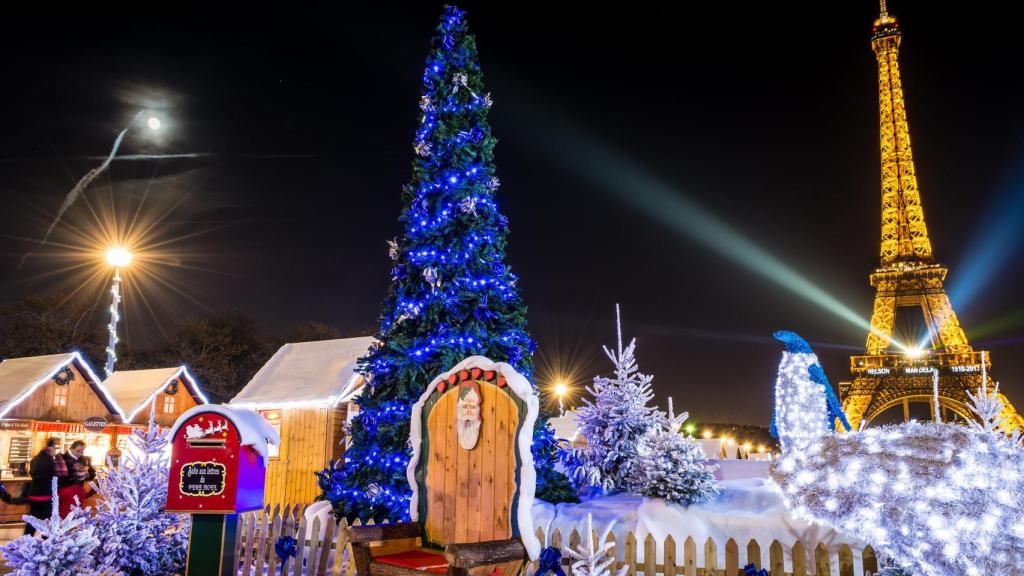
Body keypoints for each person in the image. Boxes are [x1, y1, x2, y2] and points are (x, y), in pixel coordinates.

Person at [25, 438, 67, 534]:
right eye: (55, 448)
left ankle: (26, 539)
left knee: (32, 520)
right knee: (47, 522)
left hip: (34, 493)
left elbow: (32, 473)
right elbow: (61, 474)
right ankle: (46, 540)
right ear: (51, 448)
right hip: (46, 495)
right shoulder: (51, 460)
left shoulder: (35, 459)